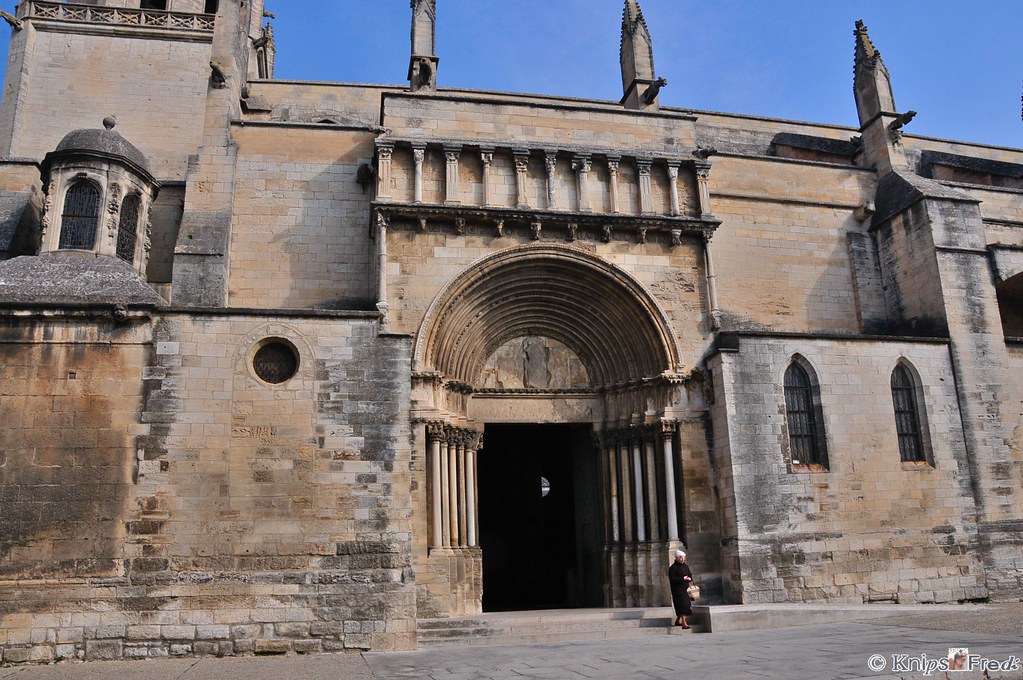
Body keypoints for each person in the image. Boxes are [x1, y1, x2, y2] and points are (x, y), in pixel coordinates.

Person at [668, 549, 694, 629]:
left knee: (686, 605)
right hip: (677, 590)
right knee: (682, 605)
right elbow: (672, 579)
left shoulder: (685, 566)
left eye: (683, 557)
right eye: (680, 557)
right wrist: (683, 578)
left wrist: (689, 578)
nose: (682, 559)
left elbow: (689, 574)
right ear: (676, 558)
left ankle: (677, 620)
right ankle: (684, 623)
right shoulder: (673, 568)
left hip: (685, 589)